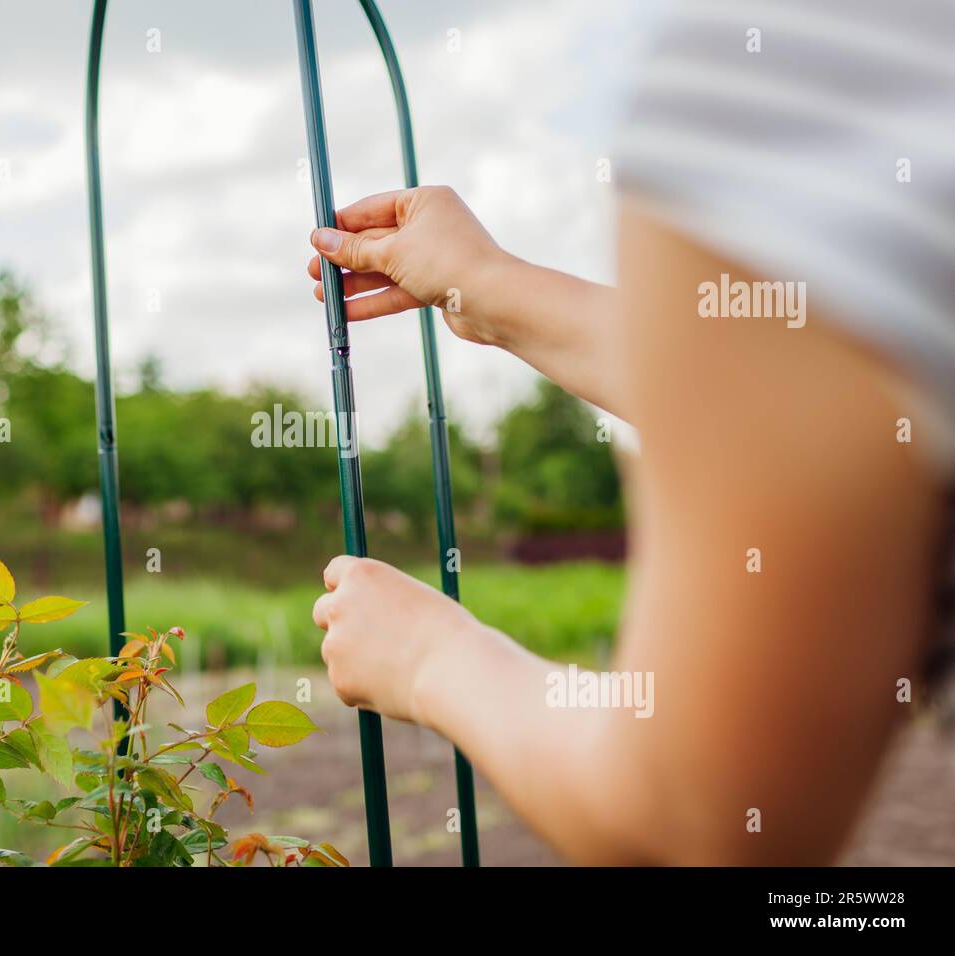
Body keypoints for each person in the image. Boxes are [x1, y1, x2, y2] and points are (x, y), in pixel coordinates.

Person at [304, 0, 955, 864]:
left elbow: (694, 822)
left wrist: (429, 658)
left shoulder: (785, 75)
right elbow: (818, 411)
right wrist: (487, 287)